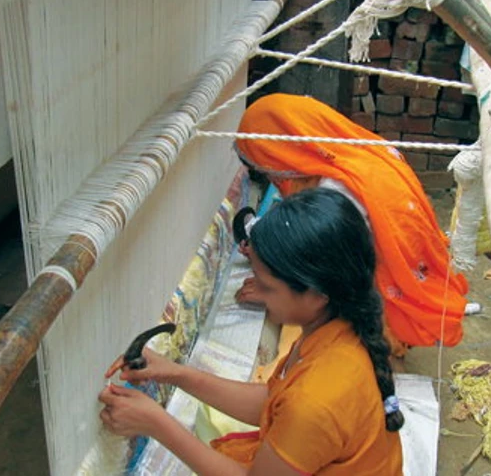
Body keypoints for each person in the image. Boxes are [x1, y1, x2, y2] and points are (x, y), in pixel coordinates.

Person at [100, 188, 404, 475]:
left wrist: (156, 424)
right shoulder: (335, 327)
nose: (254, 290)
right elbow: (272, 402)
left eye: (267, 286)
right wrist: (175, 373)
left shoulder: (318, 398)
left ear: (316, 294)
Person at [233, 93, 469, 352]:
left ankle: (385, 339)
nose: (271, 176)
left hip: (385, 296)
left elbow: (323, 264)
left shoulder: (341, 190)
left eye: (266, 167)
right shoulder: (357, 151)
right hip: (399, 268)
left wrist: (272, 290)